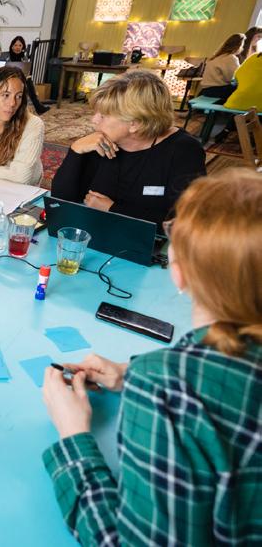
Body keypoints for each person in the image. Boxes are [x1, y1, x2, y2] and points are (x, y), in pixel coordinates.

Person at [42, 167, 262, 546]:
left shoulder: (165, 387)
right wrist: (130, 373)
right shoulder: (164, 378)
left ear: (180, 274)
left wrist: (72, 435)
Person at [51, 70, 206, 226]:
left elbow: (186, 221)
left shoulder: (184, 151)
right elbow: (60, 202)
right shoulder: (100, 142)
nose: (94, 120)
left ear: (135, 124)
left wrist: (113, 209)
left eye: (103, 116)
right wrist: (76, 150)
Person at [6, 35, 50, 115]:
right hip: (8, 77)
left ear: (22, 47)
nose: (17, 47)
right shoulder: (7, 56)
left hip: (21, 78)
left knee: (29, 80)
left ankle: (37, 106)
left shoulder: (24, 57)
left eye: (20, 45)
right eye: (15, 45)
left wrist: (27, 75)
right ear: (12, 46)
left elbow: (26, 70)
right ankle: (38, 106)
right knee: (28, 83)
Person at [199, 33, 245, 102]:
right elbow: (232, 78)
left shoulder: (216, 57)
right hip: (217, 90)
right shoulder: (230, 58)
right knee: (243, 88)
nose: (242, 48)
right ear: (238, 46)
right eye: (242, 46)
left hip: (205, 90)